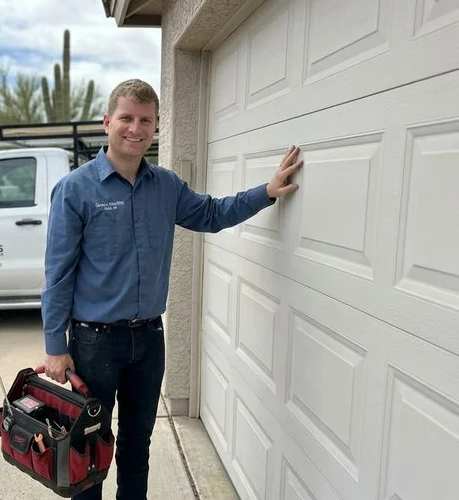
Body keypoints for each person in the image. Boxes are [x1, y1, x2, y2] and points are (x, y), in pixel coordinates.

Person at [40, 79, 302, 500]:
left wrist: (266, 193)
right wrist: (56, 346)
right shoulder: (75, 190)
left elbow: (212, 213)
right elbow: (58, 274)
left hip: (148, 339)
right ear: (107, 122)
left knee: (136, 445)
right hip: (94, 344)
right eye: (126, 118)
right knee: (87, 448)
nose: (135, 128)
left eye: (146, 120)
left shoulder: (166, 186)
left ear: (156, 127)